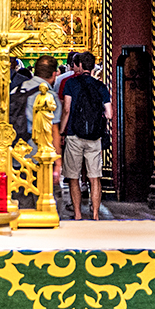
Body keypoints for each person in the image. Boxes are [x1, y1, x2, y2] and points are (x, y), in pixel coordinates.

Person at [60, 51, 111, 220]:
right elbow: (109, 114)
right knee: (94, 177)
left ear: (80, 66)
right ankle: (95, 214)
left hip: (74, 134)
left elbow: (66, 109)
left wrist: (62, 131)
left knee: (73, 176)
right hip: (95, 136)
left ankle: (77, 214)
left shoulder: (71, 84)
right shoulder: (101, 86)